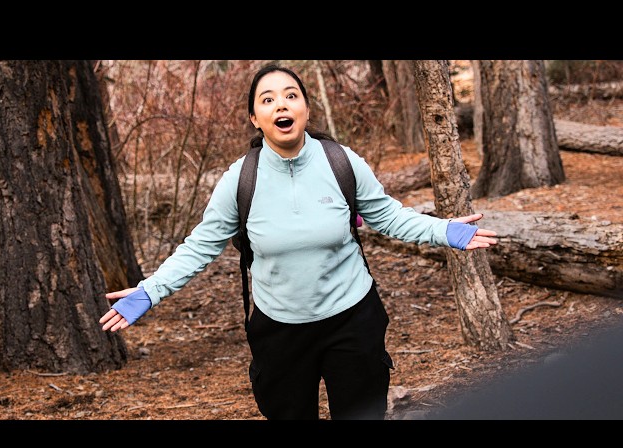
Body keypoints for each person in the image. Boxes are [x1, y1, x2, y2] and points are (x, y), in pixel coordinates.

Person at [98, 63, 499, 420]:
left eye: (291, 96)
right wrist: (151, 290)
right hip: (279, 330)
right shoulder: (240, 180)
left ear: (306, 109)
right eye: (268, 99)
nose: (281, 105)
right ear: (255, 118)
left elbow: (388, 216)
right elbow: (200, 246)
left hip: (352, 319)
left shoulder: (342, 162)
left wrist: (443, 230)